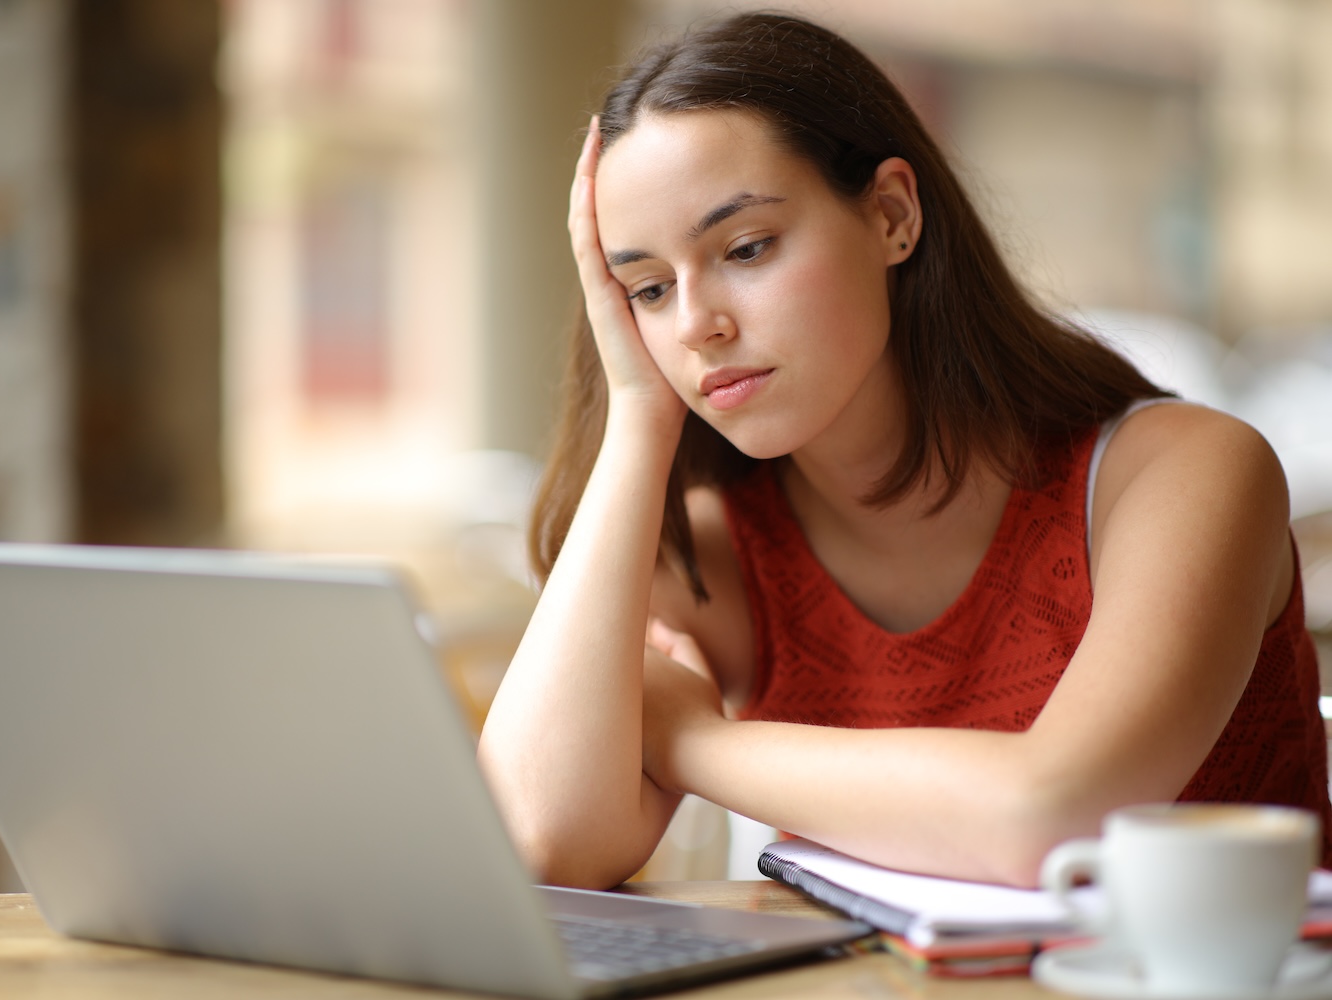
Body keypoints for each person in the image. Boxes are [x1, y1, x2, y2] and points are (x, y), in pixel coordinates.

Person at [475, 11, 1329, 890]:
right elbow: (537, 841)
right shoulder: (720, 547)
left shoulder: (1182, 475)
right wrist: (636, 416)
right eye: (647, 289)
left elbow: (1053, 820)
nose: (696, 325)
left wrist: (690, 739)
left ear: (890, 215)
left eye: (746, 247)